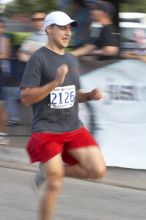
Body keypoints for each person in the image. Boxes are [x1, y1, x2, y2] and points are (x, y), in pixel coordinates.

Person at [20, 11, 106, 220]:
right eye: (62, 27)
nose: (68, 32)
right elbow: (26, 97)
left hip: (73, 126)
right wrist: (54, 83)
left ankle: (49, 171)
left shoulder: (71, 59)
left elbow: (71, 93)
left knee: (97, 171)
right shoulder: (38, 58)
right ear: (49, 29)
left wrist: (88, 96)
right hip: (47, 130)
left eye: (70, 28)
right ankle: (52, 175)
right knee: (55, 182)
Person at [0, 19, 10, 144]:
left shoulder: (4, 39)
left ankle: (2, 134)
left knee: (1, 106)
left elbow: (5, 54)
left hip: (1, 75)